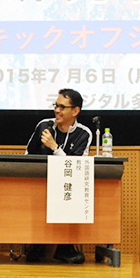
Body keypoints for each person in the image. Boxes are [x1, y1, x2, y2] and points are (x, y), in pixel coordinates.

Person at [24, 88, 93, 264]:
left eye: (62, 107)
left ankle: (65, 247)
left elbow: (76, 168)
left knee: (74, 191)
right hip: (40, 182)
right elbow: (27, 155)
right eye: (56, 106)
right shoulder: (44, 126)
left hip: (67, 184)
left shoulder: (84, 133)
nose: (56, 110)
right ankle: (36, 245)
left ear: (75, 111)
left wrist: (55, 148)